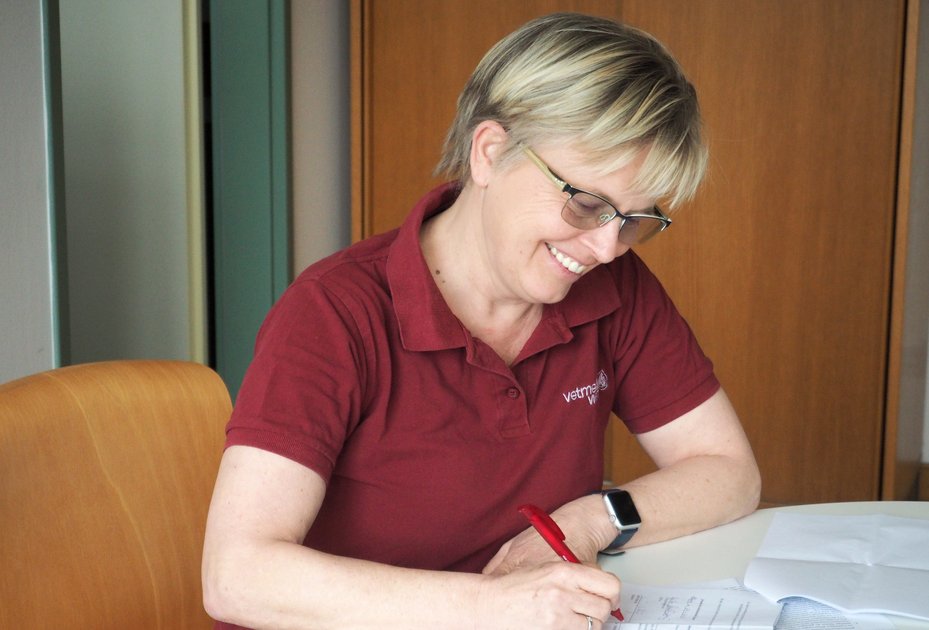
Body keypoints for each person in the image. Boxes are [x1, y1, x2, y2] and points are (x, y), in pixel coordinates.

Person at [202, 12, 761, 630]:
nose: (605, 249)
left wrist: (584, 522)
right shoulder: (335, 313)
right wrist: (494, 606)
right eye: (585, 203)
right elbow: (236, 578)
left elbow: (728, 472)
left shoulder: (615, 289)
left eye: (634, 220)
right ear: (490, 152)